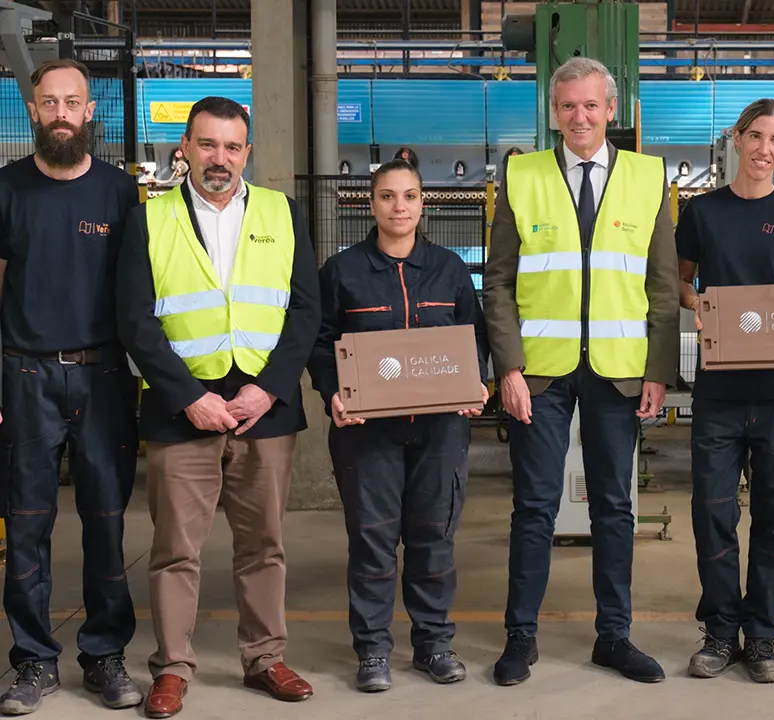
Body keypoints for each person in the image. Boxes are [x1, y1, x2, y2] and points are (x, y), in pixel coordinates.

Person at [116, 96, 322, 717]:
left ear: (248, 152)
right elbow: (136, 319)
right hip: (184, 412)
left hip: (265, 409)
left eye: (232, 147)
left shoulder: (284, 213)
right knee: (176, 549)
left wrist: (272, 387)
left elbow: (305, 311)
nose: (219, 158)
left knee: (263, 544)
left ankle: (265, 658)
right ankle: (172, 667)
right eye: (207, 145)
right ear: (185, 146)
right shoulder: (149, 219)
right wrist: (190, 397)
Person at [481, 57, 680, 686]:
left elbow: (665, 285)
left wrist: (657, 368)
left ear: (611, 110)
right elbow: (500, 283)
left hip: (618, 372)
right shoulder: (523, 175)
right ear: (553, 111)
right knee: (534, 507)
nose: (580, 117)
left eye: (591, 105)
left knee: (614, 508)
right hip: (539, 373)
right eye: (567, 106)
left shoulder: (649, 179)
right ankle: (521, 637)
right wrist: (507, 367)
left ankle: (614, 637)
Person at [308, 159, 490, 692]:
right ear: (371, 204)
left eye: (409, 196)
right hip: (367, 433)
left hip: (439, 431)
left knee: (434, 538)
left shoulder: (450, 269)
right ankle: (372, 650)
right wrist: (332, 393)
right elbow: (319, 342)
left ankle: (433, 643)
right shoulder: (342, 272)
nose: (399, 207)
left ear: (422, 204)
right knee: (372, 541)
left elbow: (472, 336)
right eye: (387, 196)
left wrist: (476, 381)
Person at [0, 58, 143, 716]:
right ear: (32, 110)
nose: (60, 112)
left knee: (106, 525)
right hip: (25, 374)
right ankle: (32, 661)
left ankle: (104, 653)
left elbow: (137, 295)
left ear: (90, 113)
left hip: (104, 377)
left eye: (72, 102)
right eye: (48, 102)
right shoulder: (7, 188)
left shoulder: (118, 194)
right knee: (26, 529)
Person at [677, 99, 774, 684]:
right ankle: (719, 632)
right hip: (720, 388)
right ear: (736, 140)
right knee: (712, 514)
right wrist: (703, 307)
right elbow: (681, 283)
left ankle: (761, 637)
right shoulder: (701, 212)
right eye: (756, 136)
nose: (765, 148)